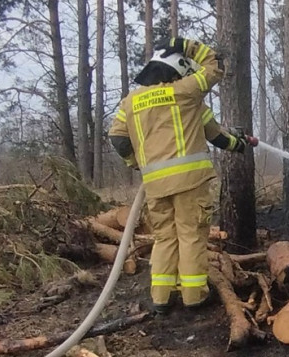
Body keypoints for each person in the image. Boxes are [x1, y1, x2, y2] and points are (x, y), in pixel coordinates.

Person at [108, 37, 256, 314]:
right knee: (191, 236)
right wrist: (185, 45)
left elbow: (117, 139)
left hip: (155, 186)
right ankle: (194, 296)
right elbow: (215, 67)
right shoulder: (186, 92)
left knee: (165, 239)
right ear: (178, 71)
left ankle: (162, 299)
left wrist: (136, 163)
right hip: (191, 183)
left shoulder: (130, 102)